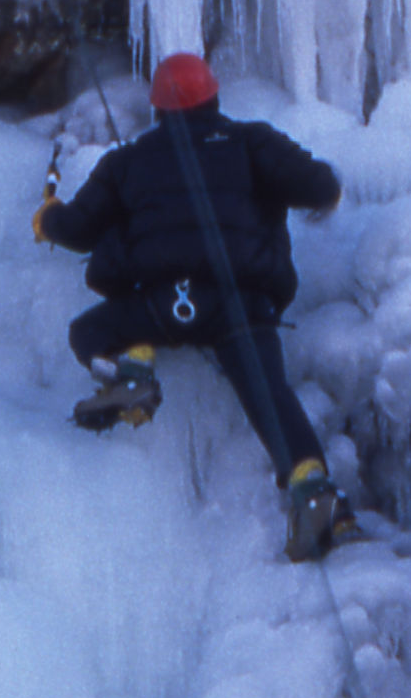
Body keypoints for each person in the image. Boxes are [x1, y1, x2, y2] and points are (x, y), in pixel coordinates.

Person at [32, 54, 353, 554]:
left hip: (164, 303)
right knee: (272, 397)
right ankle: (313, 494)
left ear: (158, 110)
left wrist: (47, 218)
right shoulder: (251, 141)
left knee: (90, 332)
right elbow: (320, 186)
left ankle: (131, 373)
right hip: (242, 304)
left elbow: (76, 230)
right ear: (214, 99)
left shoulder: (126, 161)